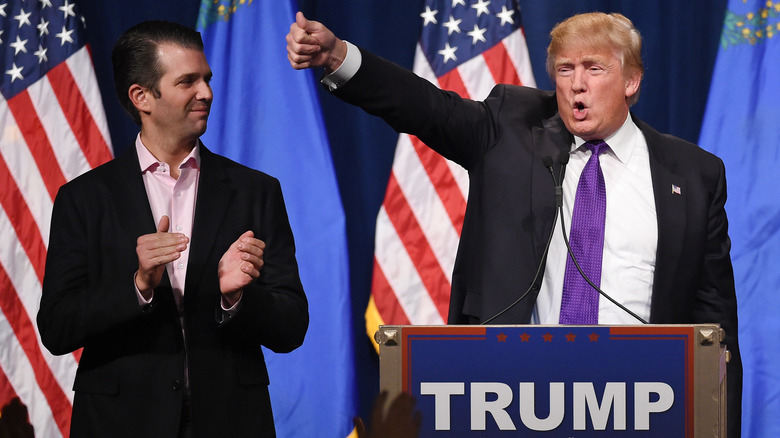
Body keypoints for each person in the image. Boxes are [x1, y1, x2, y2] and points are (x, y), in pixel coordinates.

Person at [287, 11, 741, 437]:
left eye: (594, 69)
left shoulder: (693, 174)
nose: (576, 85)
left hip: (642, 399)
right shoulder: (511, 129)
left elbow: (716, 323)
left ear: (632, 81)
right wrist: (338, 57)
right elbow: (424, 105)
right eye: (565, 70)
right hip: (518, 394)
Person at [38, 20, 308, 437]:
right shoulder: (84, 199)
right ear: (141, 96)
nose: (207, 93)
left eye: (207, 79)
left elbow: (292, 326)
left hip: (231, 422)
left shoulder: (256, 191)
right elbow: (56, 328)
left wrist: (236, 298)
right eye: (188, 81)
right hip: (121, 424)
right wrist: (138, 284)